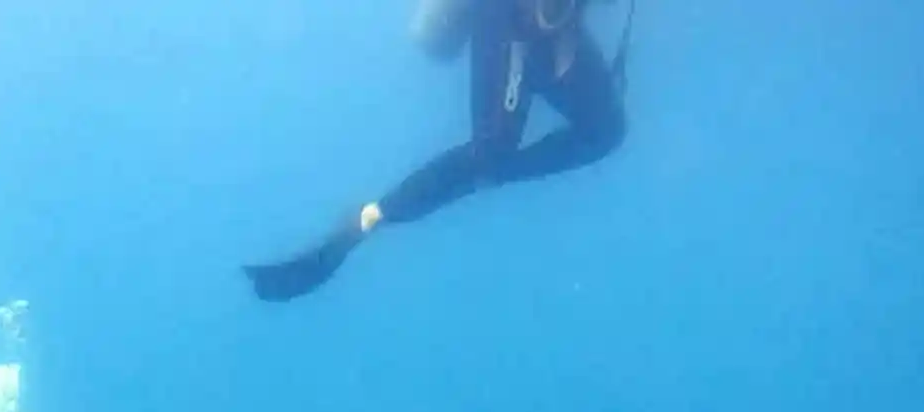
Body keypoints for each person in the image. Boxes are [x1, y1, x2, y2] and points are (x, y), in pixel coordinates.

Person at [243, 0, 635, 303]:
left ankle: (482, 172)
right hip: (511, 20)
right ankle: (367, 220)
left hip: (554, 30)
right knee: (492, 153)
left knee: (604, 131)